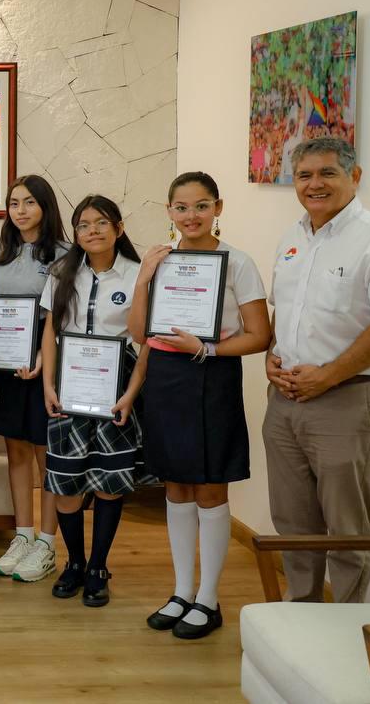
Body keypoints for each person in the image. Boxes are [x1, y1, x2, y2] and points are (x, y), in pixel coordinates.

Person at [128, 172, 269, 639]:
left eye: (202, 206)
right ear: (169, 211)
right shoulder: (160, 259)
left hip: (213, 373)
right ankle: (181, 591)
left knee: (209, 487)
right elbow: (138, 332)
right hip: (166, 378)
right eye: (182, 207)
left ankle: (208, 598)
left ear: (218, 208)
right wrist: (144, 277)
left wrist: (206, 348)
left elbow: (259, 335)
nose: (192, 216)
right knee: (176, 486)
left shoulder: (238, 262)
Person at [263, 136, 370, 603]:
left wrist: (328, 375)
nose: (314, 184)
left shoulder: (367, 238)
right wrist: (271, 356)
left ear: (355, 177)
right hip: (284, 402)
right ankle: (300, 615)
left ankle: (352, 628)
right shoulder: (292, 237)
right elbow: (284, 309)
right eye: (304, 175)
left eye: (327, 173)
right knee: (293, 523)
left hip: (345, 401)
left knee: (349, 528)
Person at [40, 194, 150, 609]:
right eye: (84, 225)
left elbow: (147, 341)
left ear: (119, 228)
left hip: (117, 386)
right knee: (66, 484)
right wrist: (48, 386)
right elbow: (50, 331)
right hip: (69, 385)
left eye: (102, 223)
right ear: (75, 233)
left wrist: (131, 394)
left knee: (109, 483)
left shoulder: (139, 274)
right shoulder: (61, 272)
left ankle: (98, 567)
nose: (93, 231)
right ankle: (74, 562)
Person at [0, 176, 70, 584]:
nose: (21, 210)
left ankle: (46, 543)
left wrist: (44, 360)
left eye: (30, 202)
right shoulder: (1, 257)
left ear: (45, 206)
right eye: (14, 203)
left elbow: (62, 319)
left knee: (47, 457)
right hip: (8, 368)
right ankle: (23, 535)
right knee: (16, 452)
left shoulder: (65, 255)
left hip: (46, 366)